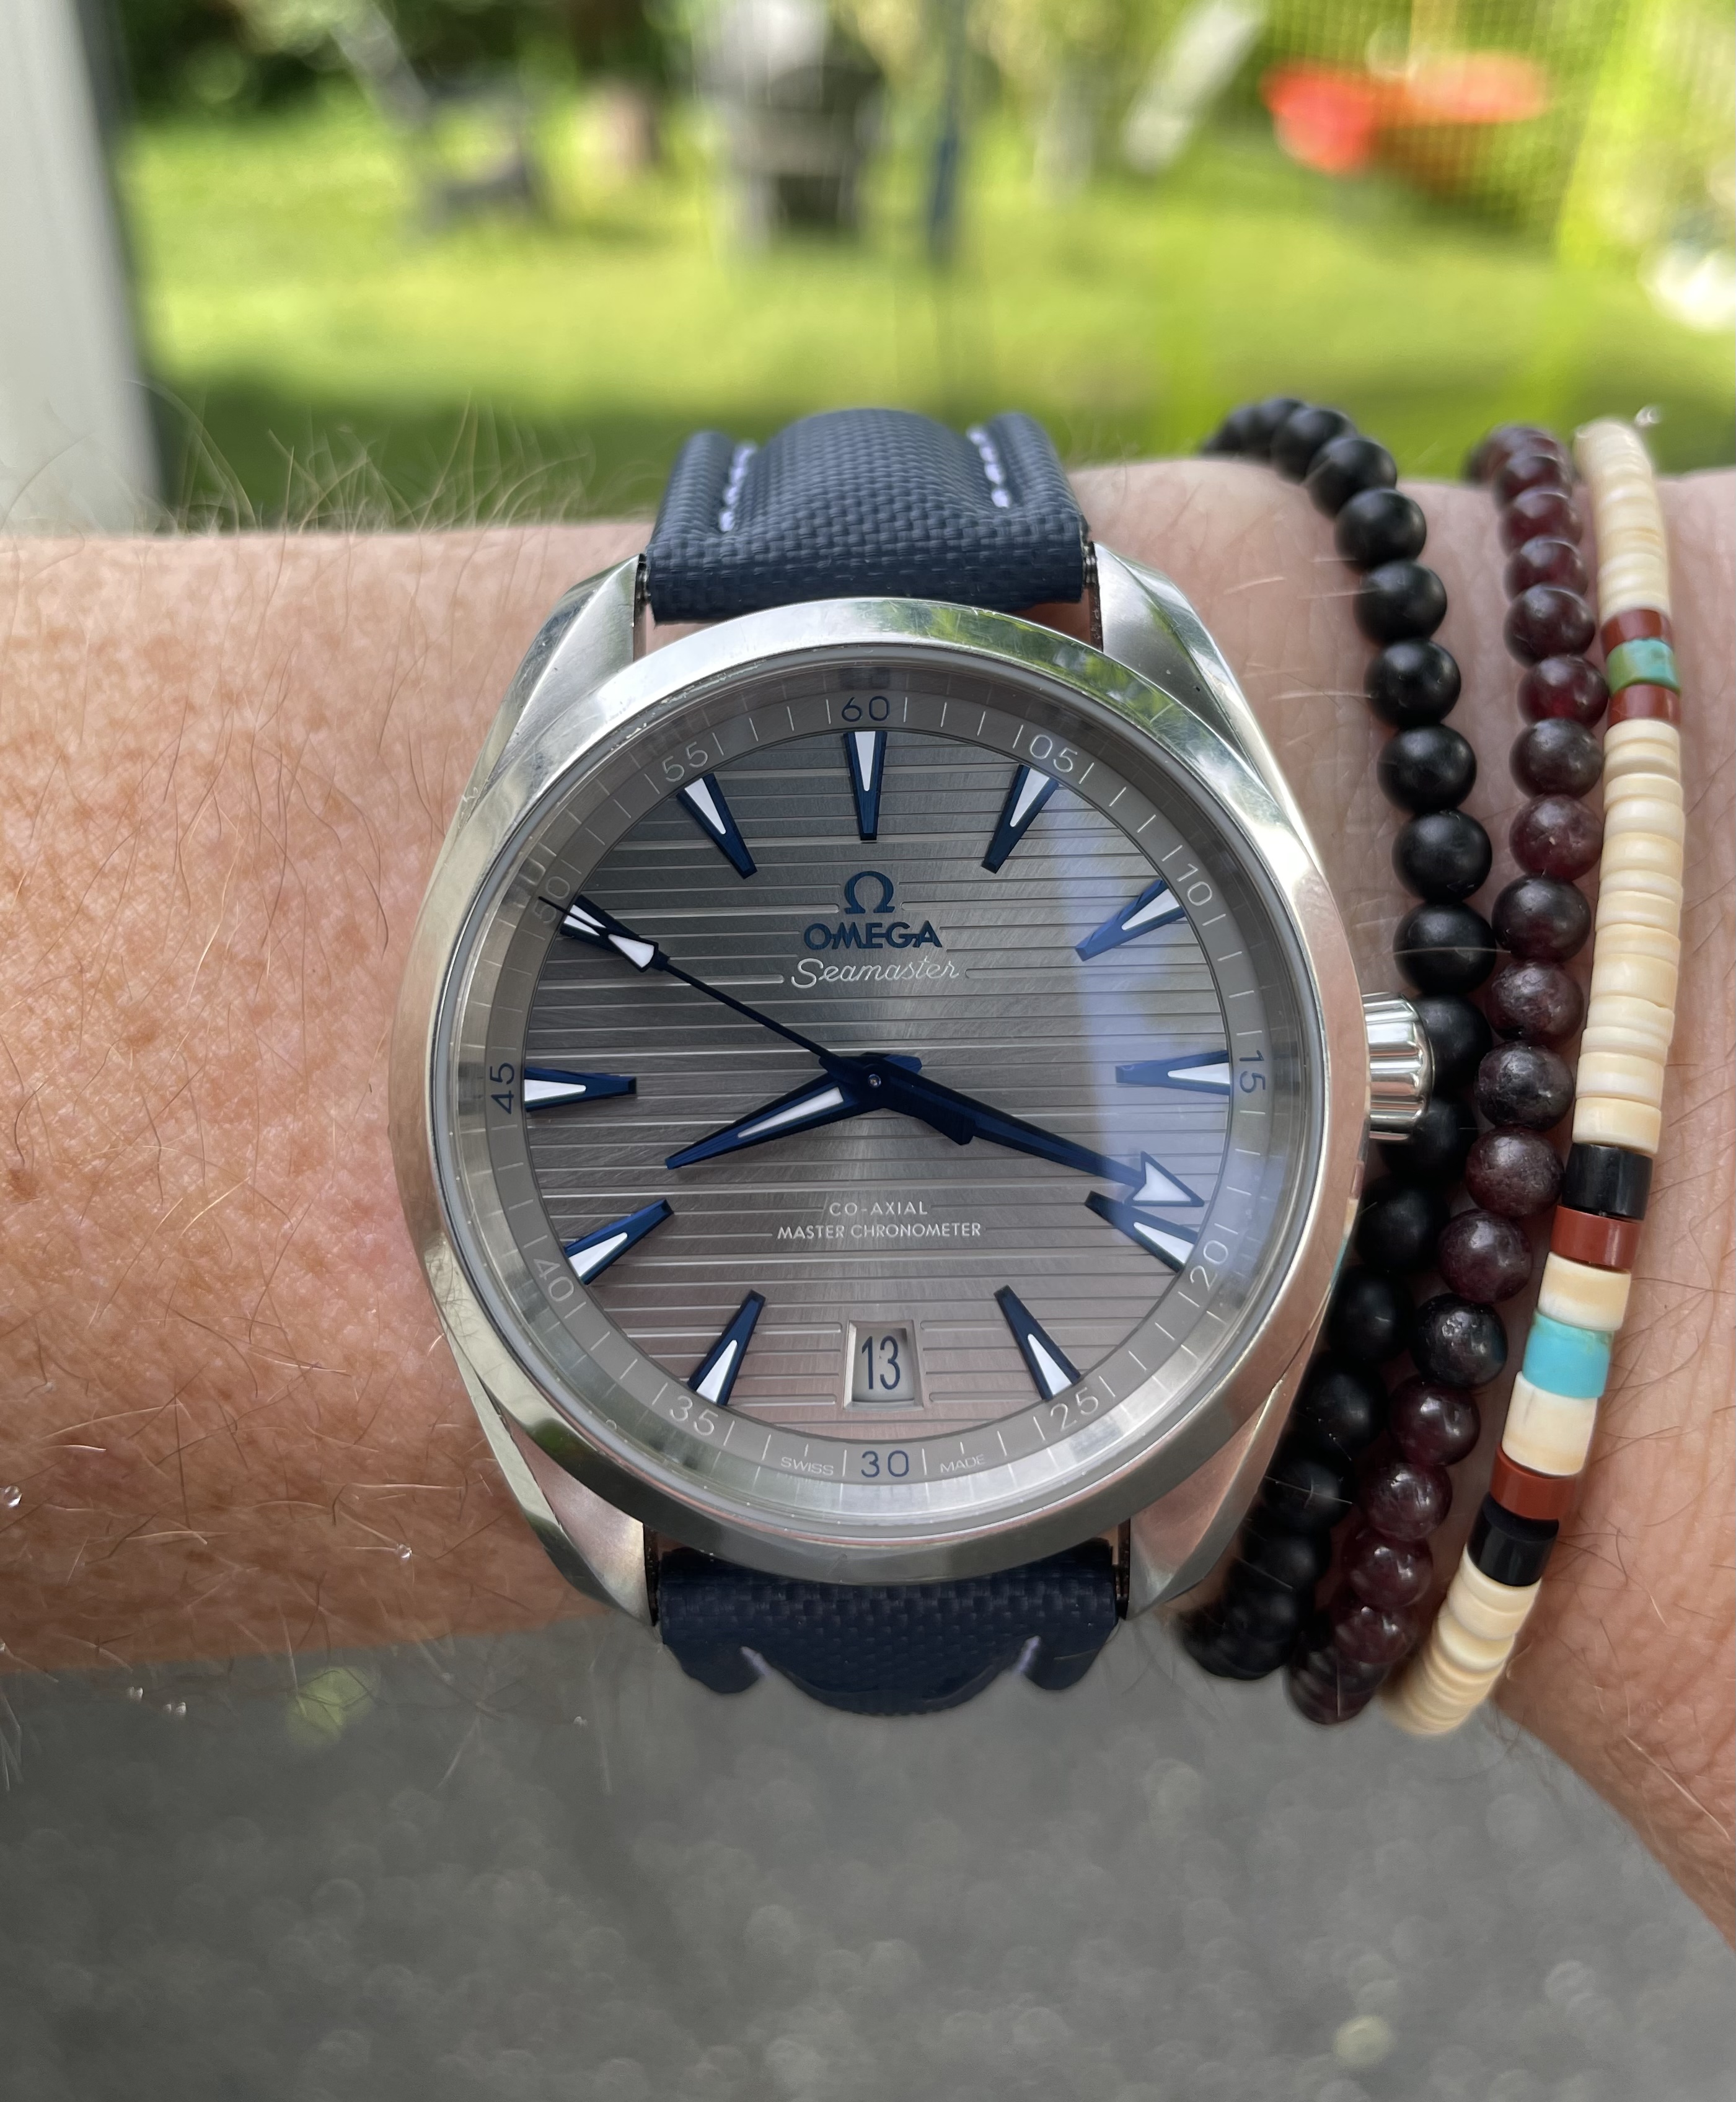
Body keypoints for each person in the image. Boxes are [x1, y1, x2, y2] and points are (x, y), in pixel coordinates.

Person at [1, 455, 1728, 1932]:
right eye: (857, 1087)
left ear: (1373, 1073)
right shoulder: (1052, 650)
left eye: (889, 1085)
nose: (881, 1087)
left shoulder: (1087, 664)